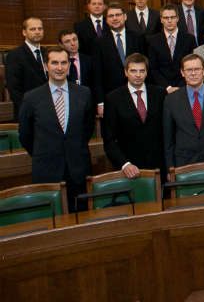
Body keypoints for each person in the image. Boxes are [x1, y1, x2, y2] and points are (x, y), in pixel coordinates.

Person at [19, 46, 95, 212]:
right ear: (46, 66)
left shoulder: (84, 93)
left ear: (69, 65)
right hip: (47, 170)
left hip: (78, 168)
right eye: (54, 63)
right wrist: (44, 151)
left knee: (82, 216)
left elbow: (88, 128)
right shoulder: (31, 98)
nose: (59, 68)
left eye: (63, 63)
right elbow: (25, 135)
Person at [102, 53, 165, 182]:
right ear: (126, 72)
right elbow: (109, 139)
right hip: (129, 168)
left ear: (147, 72)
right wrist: (124, 164)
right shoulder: (113, 98)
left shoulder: (160, 94)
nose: (138, 75)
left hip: (159, 166)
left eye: (142, 71)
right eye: (133, 71)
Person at [162, 54, 204, 169]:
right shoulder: (171, 99)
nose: (193, 73)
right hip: (183, 163)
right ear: (182, 73)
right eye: (189, 70)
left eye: (197, 69)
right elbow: (168, 139)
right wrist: (170, 168)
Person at [95, 3, 146, 106]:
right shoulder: (99, 42)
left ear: (125, 17)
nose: (114, 18)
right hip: (111, 95)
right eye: (111, 16)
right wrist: (100, 102)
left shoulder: (138, 37)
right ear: (106, 20)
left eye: (118, 15)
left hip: (137, 92)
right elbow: (97, 73)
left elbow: (145, 65)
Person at [146, 4, 196, 92]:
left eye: (172, 17)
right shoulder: (152, 40)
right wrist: (167, 87)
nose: (169, 21)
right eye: (166, 18)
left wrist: (180, 87)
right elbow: (153, 69)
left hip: (185, 87)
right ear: (161, 20)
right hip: (161, 89)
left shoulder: (189, 39)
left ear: (177, 18)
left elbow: (192, 65)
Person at [7, 17, 49, 116]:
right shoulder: (15, 55)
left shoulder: (47, 52)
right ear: (24, 32)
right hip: (27, 110)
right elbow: (14, 88)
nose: (37, 32)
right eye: (33, 29)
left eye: (40, 28)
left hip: (48, 108)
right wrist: (27, 109)